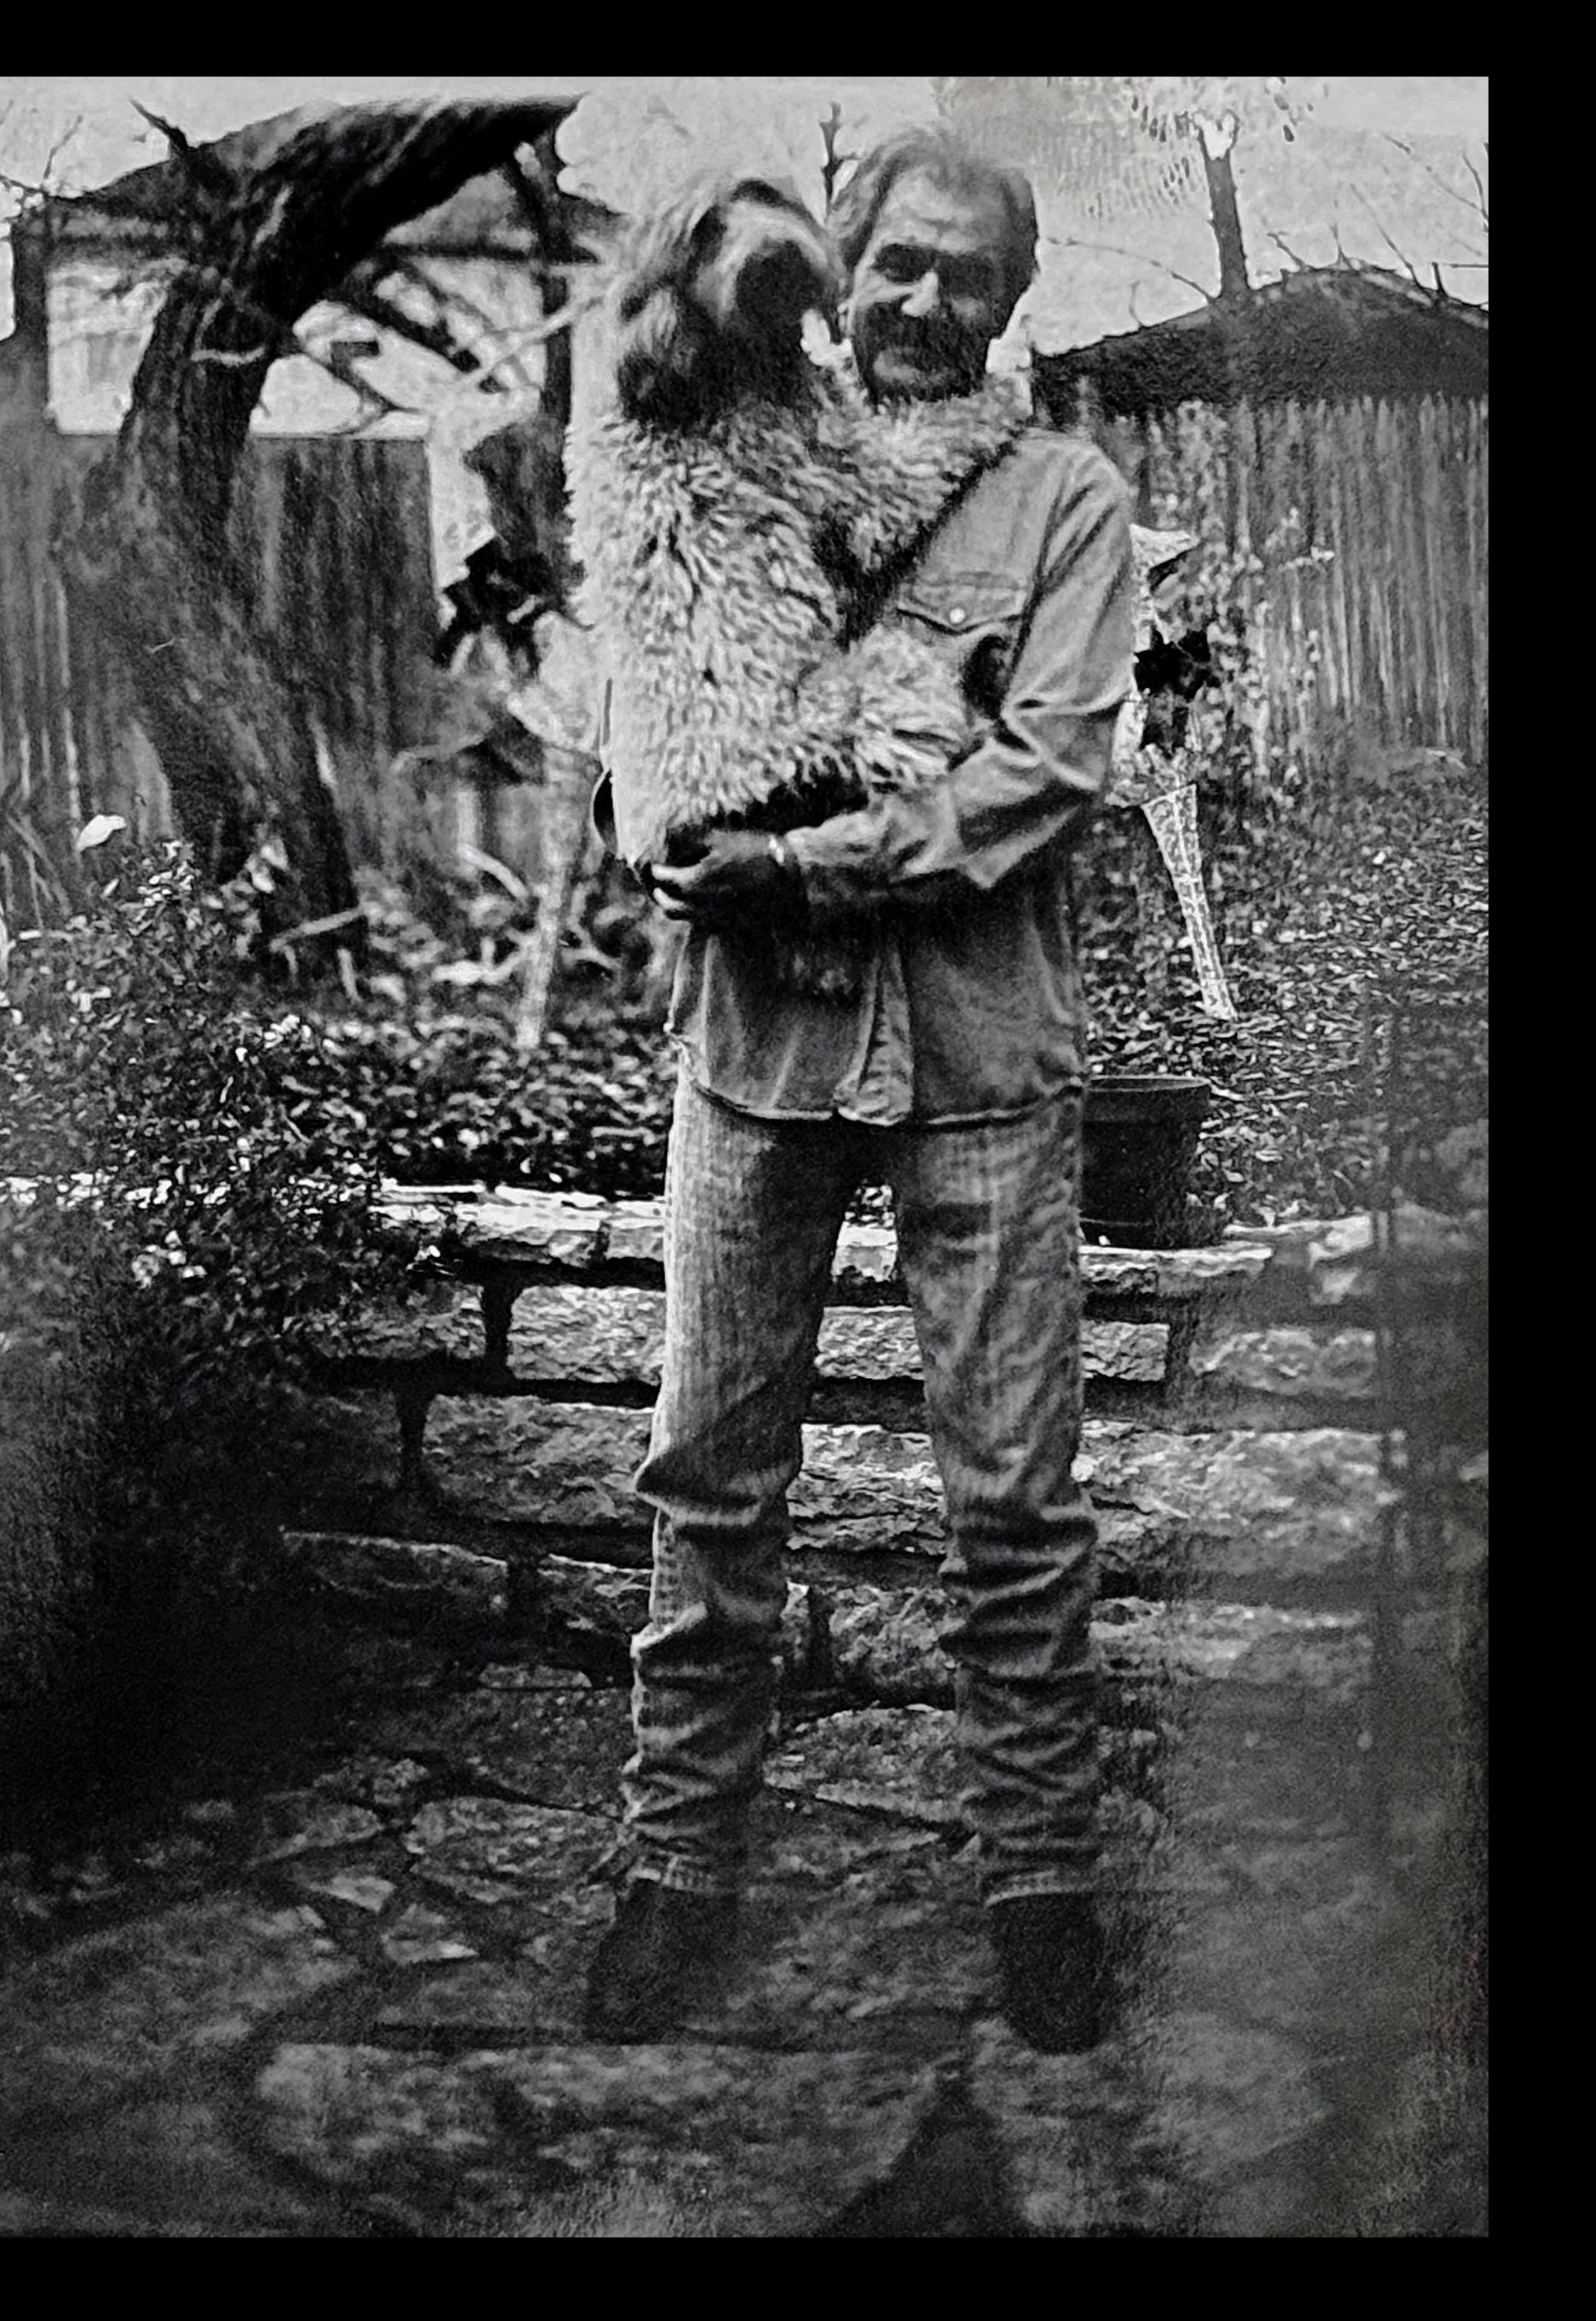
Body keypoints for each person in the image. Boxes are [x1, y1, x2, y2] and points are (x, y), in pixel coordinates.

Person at [582, 124, 1137, 2056]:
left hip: (984, 1055)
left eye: (960, 275)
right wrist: (660, 815)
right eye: (892, 261)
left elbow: (1049, 768)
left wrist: (809, 859)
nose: (917, 301)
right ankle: (678, 1871)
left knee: (1015, 1502)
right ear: (845, 262)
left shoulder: (1066, 496)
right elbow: (651, 696)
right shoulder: (736, 436)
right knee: (709, 1485)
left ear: (1011, 301)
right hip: (757, 1053)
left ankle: (1041, 1883)